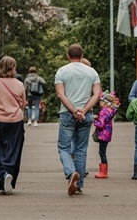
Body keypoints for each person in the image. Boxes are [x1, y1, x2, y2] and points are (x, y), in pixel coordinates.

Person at [55, 43, 102, 196]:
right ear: (82, 56)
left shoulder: (62, 71)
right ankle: (79, 184)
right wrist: (84, 110)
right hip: (86, 114)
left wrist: (74, 110)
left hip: (67, 114)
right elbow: (96, 94)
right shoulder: (92, 72)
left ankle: (70, 173)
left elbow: (61, 95)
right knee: (81, 150)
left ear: (68, 56)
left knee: (64, 148)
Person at [0, 56, 27, 195]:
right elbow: (23, 104)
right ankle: (8, 171)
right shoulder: (20, 84)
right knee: (13, 149)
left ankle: (1, 175)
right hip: (15, 120)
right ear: (13, 68)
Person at [92, 91, 119, 179]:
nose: (100, 103)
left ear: (104, 103)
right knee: (103, 152)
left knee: (102, 153)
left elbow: (101, 124)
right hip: (107, 134)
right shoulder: (110, 111)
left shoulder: (103, 111)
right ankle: (103, 171)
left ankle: (103, 172)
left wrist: (94, 121)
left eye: (101, 101)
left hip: (103, 135)